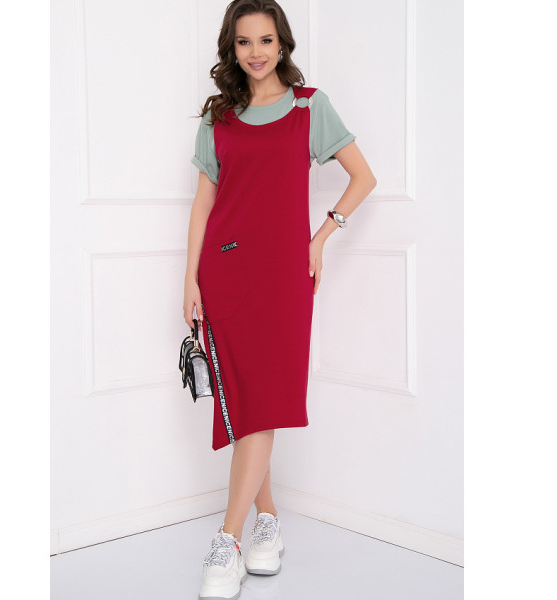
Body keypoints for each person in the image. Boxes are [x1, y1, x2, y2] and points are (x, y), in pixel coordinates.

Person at [183, 1, 376, 598]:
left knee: (264, 399)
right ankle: (264, 521)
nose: (256, 52)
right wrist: (189, 281)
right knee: (246, 402)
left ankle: (229, 538)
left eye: (266, 40)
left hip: (285, 278)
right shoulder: (218, 118)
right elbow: (203, 204)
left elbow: (363, 177)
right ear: (232, 49)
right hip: (224, 272)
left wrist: (321, 236)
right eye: (244, 42)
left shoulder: (308, 107)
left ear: (283, 44)